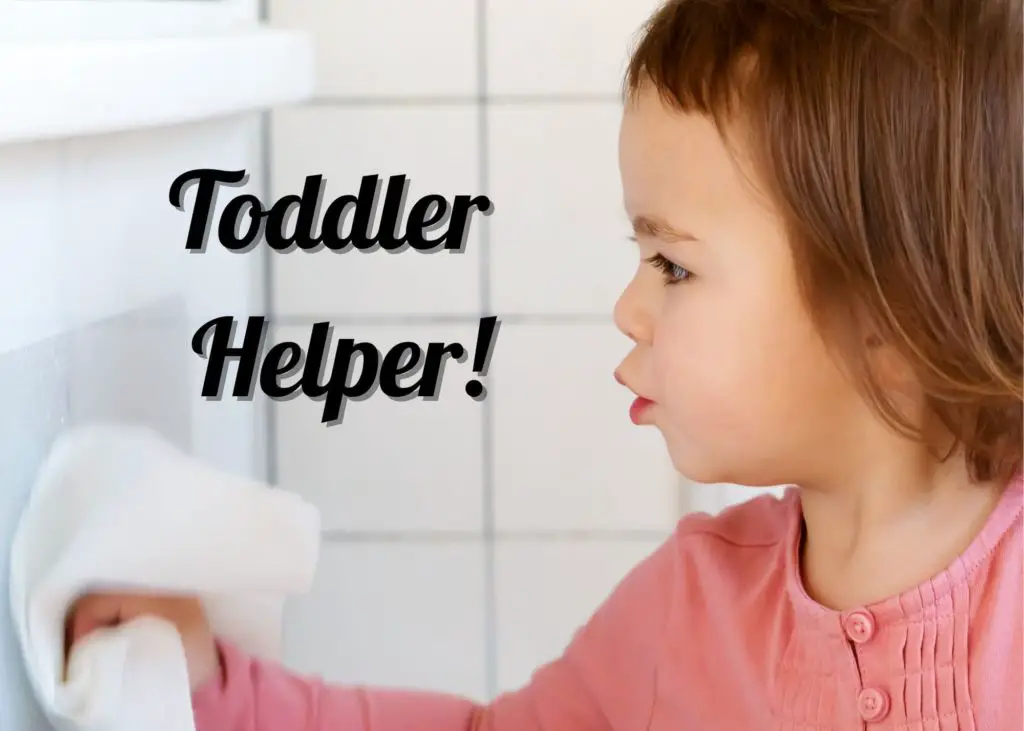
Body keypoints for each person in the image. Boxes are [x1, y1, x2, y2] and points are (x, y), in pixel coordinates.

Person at [65, 0, 1023, 728]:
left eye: (673, 265)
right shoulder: (687, 609)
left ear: (895, 312)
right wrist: (217, 692)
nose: (628, 308)